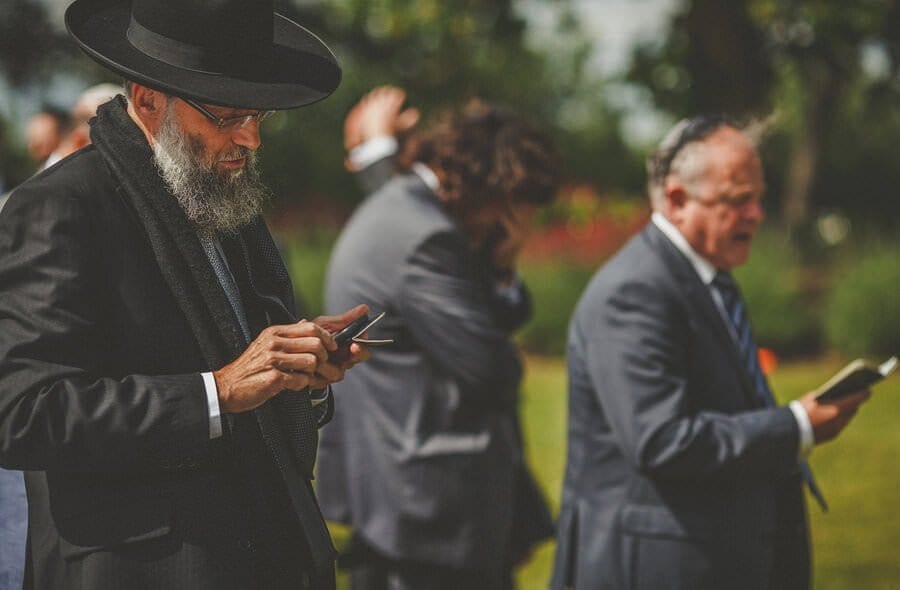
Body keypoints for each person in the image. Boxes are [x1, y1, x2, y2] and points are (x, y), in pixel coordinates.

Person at [0, 1, 365, 589]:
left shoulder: (221, 197)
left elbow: (246, 370)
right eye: (226, 116)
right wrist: (215, 392)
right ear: (148, 101)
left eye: (258, 117)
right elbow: (21, 411)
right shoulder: (62, 206)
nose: (250, 138)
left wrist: (298, 369)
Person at [550, 115, 870, 589]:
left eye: (758, 199)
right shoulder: (636, 291)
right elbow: (661, 440)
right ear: (678, 200)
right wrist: (796, 426)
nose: (757, 215)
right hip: (660, 569)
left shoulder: (708, 276)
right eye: (739, 201)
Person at [317, 87, 560, 590]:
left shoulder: (404, 209)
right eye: (513, 211)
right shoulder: (427, 234)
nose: (512, 227)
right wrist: (499, 261)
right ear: (496, 190)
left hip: (400, 498)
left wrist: (499, 266)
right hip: (430, 512)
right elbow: (494, 371)